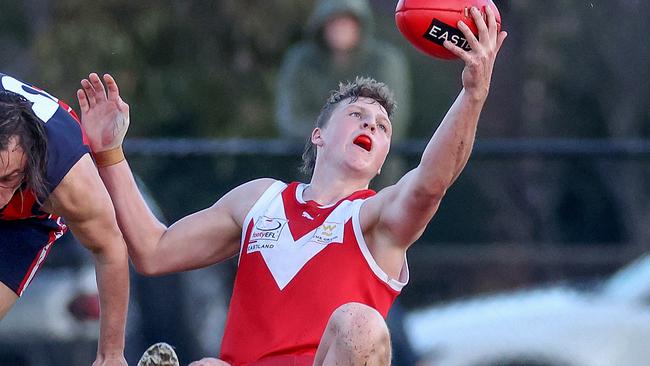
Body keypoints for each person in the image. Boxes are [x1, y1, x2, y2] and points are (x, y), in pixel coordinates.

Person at [79, 6, 506, 365]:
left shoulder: (375, 218)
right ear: (317, 135)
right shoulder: (259, 199)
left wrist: (473, 94)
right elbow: (153, 252)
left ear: (380, 162)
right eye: (357, 115)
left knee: (361, 323)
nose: (371, 125)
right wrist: (109, 152)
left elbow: (431, 182)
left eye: (382, 127)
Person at [0, 73, 129, 366]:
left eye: (8, 178)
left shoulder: (66, 178)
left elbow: (110, 248)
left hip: (25, 221)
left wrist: (111, 354)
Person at [276, 0, 411, 141]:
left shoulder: (384, 61)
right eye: (334, 21)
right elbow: (290, 118)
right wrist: (331, 136)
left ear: (360, 25)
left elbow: (392, 121)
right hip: (312, 155)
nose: (340, 28)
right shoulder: (301, 60)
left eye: (347, 21)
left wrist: (348, 135)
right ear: (322, 24)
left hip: (373, 155)